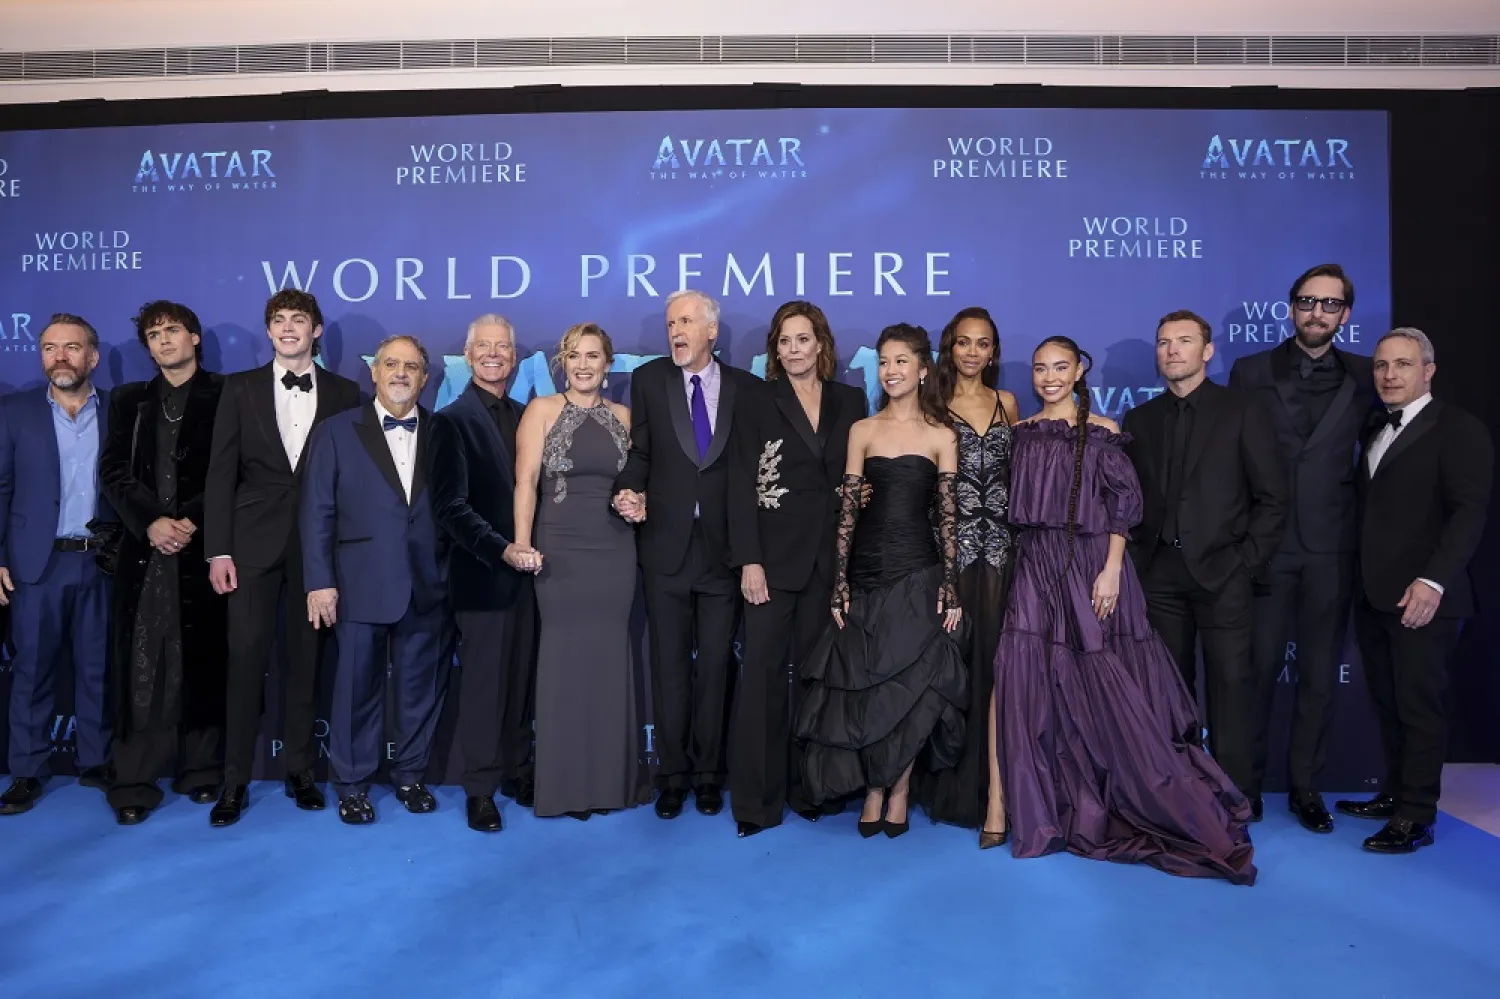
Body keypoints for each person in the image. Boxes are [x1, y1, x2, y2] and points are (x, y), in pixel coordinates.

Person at [993, 336, 1255, 884]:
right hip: (1034, 569)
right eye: (1040, 369)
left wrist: (1111, 569)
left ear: (1079, 370)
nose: (1048, 377)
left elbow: (1123, 508)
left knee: (1100, 688)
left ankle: (1126, 801)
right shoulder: (1018, 434)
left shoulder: (1104, 432)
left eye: (1059, 367)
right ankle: (1047, 811)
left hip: (1092, 567)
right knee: (1033, 686)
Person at [795, 323, 967, 839]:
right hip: (866, 574)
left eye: (900, 362)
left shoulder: (942, 436)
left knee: (913, 687)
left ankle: (900, 788)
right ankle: (873, 785)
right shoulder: (862, 431)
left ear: (922, 369)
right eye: (884, 362)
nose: (890, 371)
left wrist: (951, 586)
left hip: (918, 572)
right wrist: (840, 582)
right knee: (869, 686)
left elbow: (948, 519)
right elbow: (847, 512)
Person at [204, 289, 362, 826]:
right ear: (269, 332)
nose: (289, 328)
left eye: (299, 320)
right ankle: (234, 781)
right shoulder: (240, 388)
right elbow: (220, 473)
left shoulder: (345, 392)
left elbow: (352, 478)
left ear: (316, 330)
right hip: (250, 547)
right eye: (279, 320)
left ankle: (300, 771)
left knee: (306, 663)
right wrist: (218, 549)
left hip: (319, 550)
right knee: (245, 661)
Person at [1229, 263, 1376, 831]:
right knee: (1257, 672)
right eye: (1308, 302)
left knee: (1318, 675)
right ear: (1290, 306)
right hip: (1265, 548)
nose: (1318, 313)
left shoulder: (1368, 376)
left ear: (1344, 314)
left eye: (1330, 304)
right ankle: (1247, 785)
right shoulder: (1249, 371)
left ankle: (1306, 788)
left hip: (1334, 550)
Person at [1336, 328, 1492, 853]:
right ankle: (1397, 794)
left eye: (1403, 364)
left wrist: (1433, 582)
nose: (1389, 375)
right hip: (1375, 594)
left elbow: (1467, 514)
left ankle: (1417, 816)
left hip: (1425, 598)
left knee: (1419, 708)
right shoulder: (1374, 422)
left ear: (1428, 370)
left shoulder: (1459, 429)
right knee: (1390, 702)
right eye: (1381, 365)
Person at [1123, 310, 1288, 804]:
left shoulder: (1242, 410)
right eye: (1164, 342)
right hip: (1160, 576)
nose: (1172, 350)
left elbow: (1274, 497)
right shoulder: (1141, 418)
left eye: (1184, 341)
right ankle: (1180, 791)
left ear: (1207, 352)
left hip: (1224, 573)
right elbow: (1128, 502)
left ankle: (1237, 795)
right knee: (1168, 690)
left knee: (1232, 687)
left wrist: (1245, 561)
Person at [611, 289, 755, 820]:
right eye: (671, 322)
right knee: (669, 669)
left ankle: (710, 775)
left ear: (711, 332)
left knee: (716, 668)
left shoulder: (745, 389)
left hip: (722, 553)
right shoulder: (649, 380)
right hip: (665, 550)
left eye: (687, 321)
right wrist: (627, 489)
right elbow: (640, 452)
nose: (676, 330)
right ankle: (671, 776)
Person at [727, 301, 866, 838]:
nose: (793, 350)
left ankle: (809, 790)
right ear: (774, 348)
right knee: (760, 680)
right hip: (770, 562)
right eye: (784, 341)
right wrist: (749, 560)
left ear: (820, 344)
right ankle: (756, 806)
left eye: (802, 340)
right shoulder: (756, 399)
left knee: (816, 685)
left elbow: (858, 479)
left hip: (828, 563)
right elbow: (739, 483)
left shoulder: (850, 401)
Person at [300, 335, 452, 825]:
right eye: (392, 364)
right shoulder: (336, 431)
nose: (401, 373)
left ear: (426, 378)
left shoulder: (443, 431)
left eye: (412, 366)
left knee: (417, 689)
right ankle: (351, 784)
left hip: (427, 583)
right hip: (359, 582)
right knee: (355, 691)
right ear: (375, 372)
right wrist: (319, 581)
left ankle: (409, 775)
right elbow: (317, 510)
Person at [99, 301, 227, 825]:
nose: (163, 341)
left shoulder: (227, 394)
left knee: (200, 656)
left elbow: (232, 469)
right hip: (143, 550)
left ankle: (200, 770)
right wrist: (151, 521)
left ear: (194, 337)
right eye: (154, 334)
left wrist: (192, 522)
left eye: (172, 331)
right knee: (143, 660)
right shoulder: (130, 400)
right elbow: (112, 470)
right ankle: (133, 778)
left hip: (204, 549)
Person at [513, 323, 646, 820]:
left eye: (594, 356)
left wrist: (639, 502)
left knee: (609, 661)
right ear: (562, 364)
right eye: (575, 356)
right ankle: (565, 787)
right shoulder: (541, 411)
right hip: (559, 550)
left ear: (609, 364)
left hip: (614, 551)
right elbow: (525, 483)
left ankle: (610, 784)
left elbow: (638, 484)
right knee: (564, 661)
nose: (584, 365)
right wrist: (522, 543)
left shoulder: (627, 418)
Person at [911, 306, 1019, 847]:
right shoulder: (930, 405)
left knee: (998, 674)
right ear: (949, 348)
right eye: (963, 343)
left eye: (983, 344)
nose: (973, 352)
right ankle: (945, 787)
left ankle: (996, 798)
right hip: (947, 556)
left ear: (993, 352)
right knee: (949, 669)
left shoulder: (1008, 405)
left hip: (1000, 555)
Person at [0, 314, 115, 815]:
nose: (59, 357)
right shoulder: (14, 412)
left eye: (71, 347)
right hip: (36, 564)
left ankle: (97, 761)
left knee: (98, 671)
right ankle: (26, 770)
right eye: (50, 348)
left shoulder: (119, 412)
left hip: (100, 565)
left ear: (92, 356)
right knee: (32, 671)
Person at [430, 315, 539, 832]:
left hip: (533, 582)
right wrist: (503, 551)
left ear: (513, 357)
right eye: (484, 347)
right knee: (483, 689)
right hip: (482, 579)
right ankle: (480, 788)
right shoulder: (451, 420)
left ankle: (519, 771)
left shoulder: (528, 416)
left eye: (503, 347)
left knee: (521, 684)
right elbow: (450, 508)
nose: (494, 355)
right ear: (468, 357)